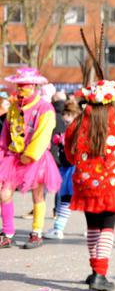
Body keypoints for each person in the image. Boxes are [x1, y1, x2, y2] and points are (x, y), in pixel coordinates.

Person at [65, 79, 115, 290]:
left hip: (85, 183)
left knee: (92, 227)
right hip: (111, 183)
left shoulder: (77, 124)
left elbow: (70, 155)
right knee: (107, 226)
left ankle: (94, 270)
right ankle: (100, 273)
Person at [0, 68, 62, 249]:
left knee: (37, 194)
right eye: (18, 86)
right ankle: (8, 233)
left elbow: (43, 134)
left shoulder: (44, 108)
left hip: (36, 159)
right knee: (4, 192)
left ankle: (37, 232)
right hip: (13, 157)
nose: (20, 89)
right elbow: (5, 133)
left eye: (24, 86)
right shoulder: (13, 107)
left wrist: (30, 155)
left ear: (33, 86)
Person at [44, 97, 81, 240]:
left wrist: (65, 142)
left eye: (70, 115)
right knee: (62, 198)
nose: (66, 117)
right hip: (65, 168)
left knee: (66, 198)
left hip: (73, 169)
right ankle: (57, 227)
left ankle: (59, 228)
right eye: (65, 114)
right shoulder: (68, 129)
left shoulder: (77, 131)